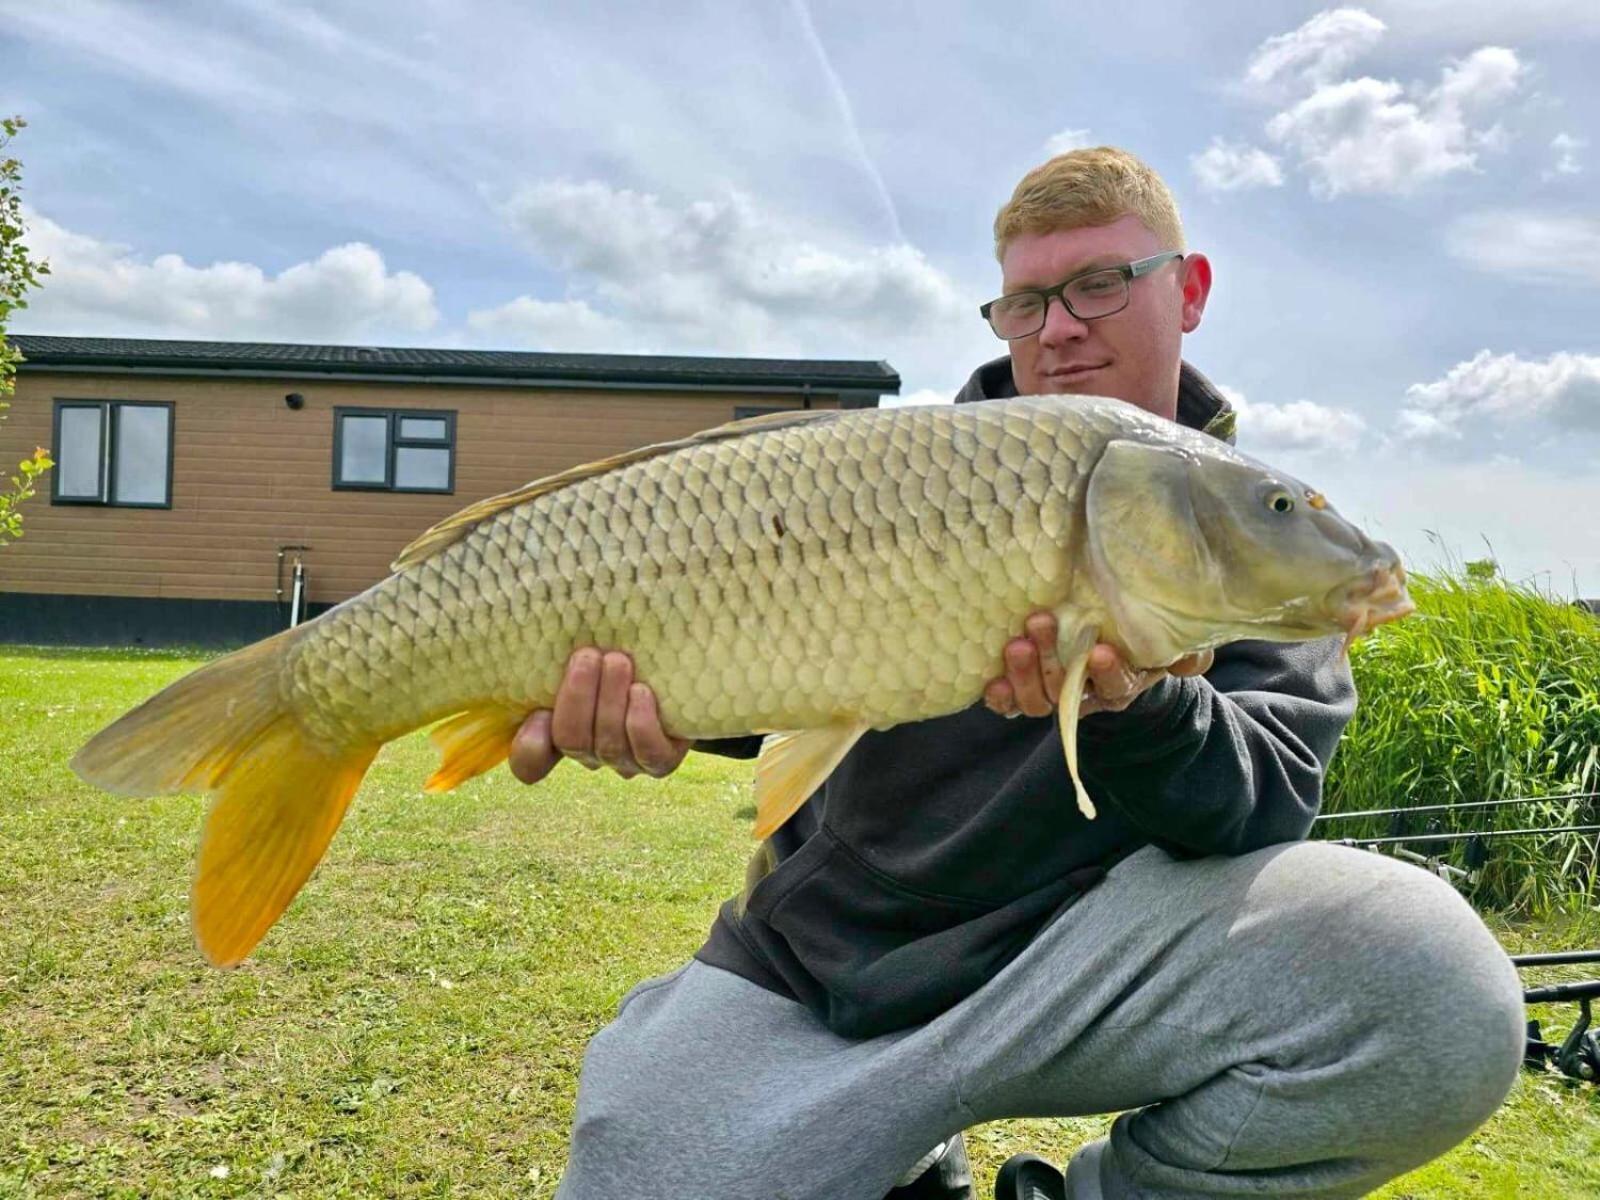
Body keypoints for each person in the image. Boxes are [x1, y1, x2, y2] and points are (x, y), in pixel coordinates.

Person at [521, 147, 1525, 1200]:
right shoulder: (897, 477)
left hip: (1090, 964)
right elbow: (775, 678)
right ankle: (902, 1153)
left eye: (1099, 284)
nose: (1059, 325)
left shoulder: (1239, 525)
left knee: (1433, 992)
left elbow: (1263, 802)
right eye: (1026, 300)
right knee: (639, 1168)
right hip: (832, 963)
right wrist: (639, 709)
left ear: (1186, 292)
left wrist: (1140, 700)